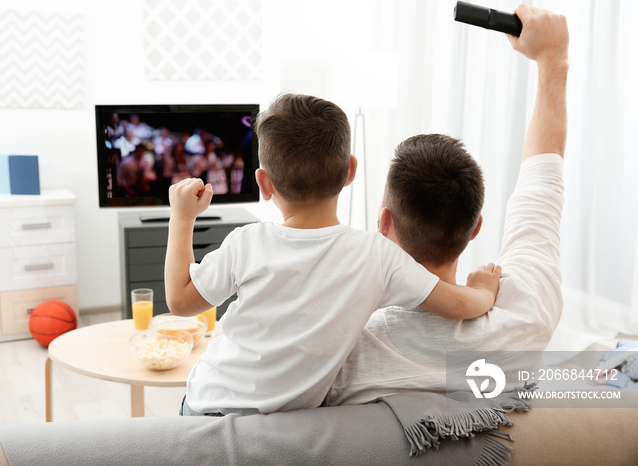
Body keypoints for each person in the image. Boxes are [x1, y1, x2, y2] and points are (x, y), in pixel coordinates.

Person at [164, 93, 502, 416]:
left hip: (207, 405)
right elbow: (458, 306)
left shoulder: (246, 242)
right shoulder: (378, 255)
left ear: (264, 184)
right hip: (280, 426)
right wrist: (485, 290)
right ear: (351, 171)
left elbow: (180, 302)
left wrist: (182, 217)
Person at [325, 4, 568, 405]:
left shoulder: (349, 346)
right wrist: (554, 60)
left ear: (384, 222)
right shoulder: (527, 315)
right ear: (475, 228)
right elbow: (542, 185)